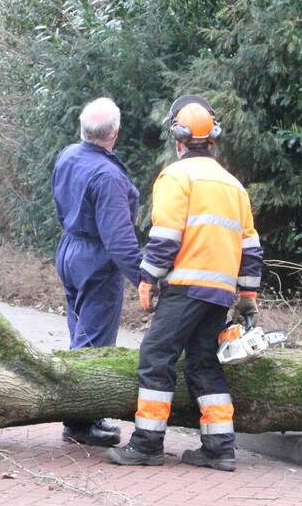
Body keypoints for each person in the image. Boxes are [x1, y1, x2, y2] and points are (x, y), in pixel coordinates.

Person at [106, 94, 263, 471]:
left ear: (178, 140)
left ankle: (146, 443)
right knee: (204, 362)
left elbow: (165, 238)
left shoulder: (176, 176)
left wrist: (147, 279)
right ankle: (220, 447)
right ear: (213, 140)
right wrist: (247, 296)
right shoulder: (233, 185)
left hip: (185, 286)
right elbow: (251, 246)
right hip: (219, 292)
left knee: (155, 357)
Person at [52, 97, 143, 447]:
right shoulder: (107, 176)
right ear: (114, 134)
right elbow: (120, 240)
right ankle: (81, 421)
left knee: (79, 335)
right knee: (93, 343)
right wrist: (145, 280)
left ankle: (78, 413)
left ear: (83, 129)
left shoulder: (68, 156)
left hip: (69, 250)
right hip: (96, 259)